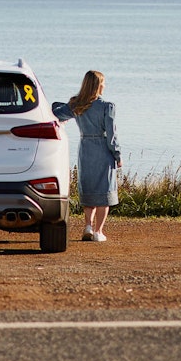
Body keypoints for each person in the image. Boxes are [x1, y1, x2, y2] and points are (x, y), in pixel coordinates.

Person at [53, 70, 122, 242]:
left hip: (85, 148)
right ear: (99, 85)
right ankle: (98, 231)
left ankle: (88, 226)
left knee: (89, 188)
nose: (105, 86)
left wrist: (69, 104)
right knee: (104, 192)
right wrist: (117, 154)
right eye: (103, 83)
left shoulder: (77, 105)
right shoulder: (107, 106)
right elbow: (111, 136)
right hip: (102, 149)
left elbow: (55, 111)